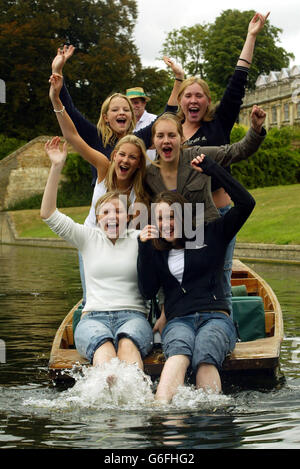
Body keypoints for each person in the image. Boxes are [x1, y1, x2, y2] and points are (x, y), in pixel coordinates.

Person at [164, 11, 269, 309]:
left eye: (199, 96)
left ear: (207, 101)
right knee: (182, 276)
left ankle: (225, 331)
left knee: (220, 276)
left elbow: (237, 84)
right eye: (187, 95)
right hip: (183, 218)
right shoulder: (170, 132)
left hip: (219, 216)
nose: (193, 100)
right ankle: (177, 322)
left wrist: (250, 36)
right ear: (180, 102)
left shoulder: (218, 125)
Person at [137, 153, 256, 402]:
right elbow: (148, 291)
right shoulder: (156, 250)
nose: (167, 223)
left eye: (172, 216)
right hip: (179, 320)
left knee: (205, 351)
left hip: (215, 317)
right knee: (179, 351)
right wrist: (144, 248)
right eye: (161, 218)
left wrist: (213, 169)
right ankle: (164, 417)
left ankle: (210, 420)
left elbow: (246, 203)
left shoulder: (212, 234)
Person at [41, 140, 153, 370]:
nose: (112, 217)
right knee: (104, 351)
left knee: (127, 345)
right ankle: (105, 392)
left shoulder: (140, 238)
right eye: (106, 212)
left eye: (118, 211)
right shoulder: (87, 238)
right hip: (93, 318)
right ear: (98, 218)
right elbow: (48, 213)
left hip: (133, 317)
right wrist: (56, 167)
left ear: (129, 216)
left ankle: (136, 399)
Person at [49, 72, 152, 305]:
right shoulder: (104, 167)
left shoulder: (143, 184)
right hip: (93, 241)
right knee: (92, 300)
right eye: (121, 155)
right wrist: (56, 100)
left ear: (139, 161)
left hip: (125, 243)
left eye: (132, 157)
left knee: (133, 296)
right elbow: (71, 135)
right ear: (114, 156)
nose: (125, 161)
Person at [51, 46, 184, 182]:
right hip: (104, 201)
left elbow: (167, 116)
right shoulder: (96, 137)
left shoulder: (138, 140)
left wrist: (179, 78)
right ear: (106, 117)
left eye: (126, 110)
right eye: (115, 110)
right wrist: (57, 71)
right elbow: (70, 112)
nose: (122, 113)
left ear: (131, 116)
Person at [145, 107, 266, 223]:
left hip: (206, 233)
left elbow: (236, 151)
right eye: (160, 136)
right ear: (153, 141)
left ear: (181, 139)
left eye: (172, 135)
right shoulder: (148, 175)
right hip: (172, 238)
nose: (166, 140)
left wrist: (256, 129)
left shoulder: (198, 156)